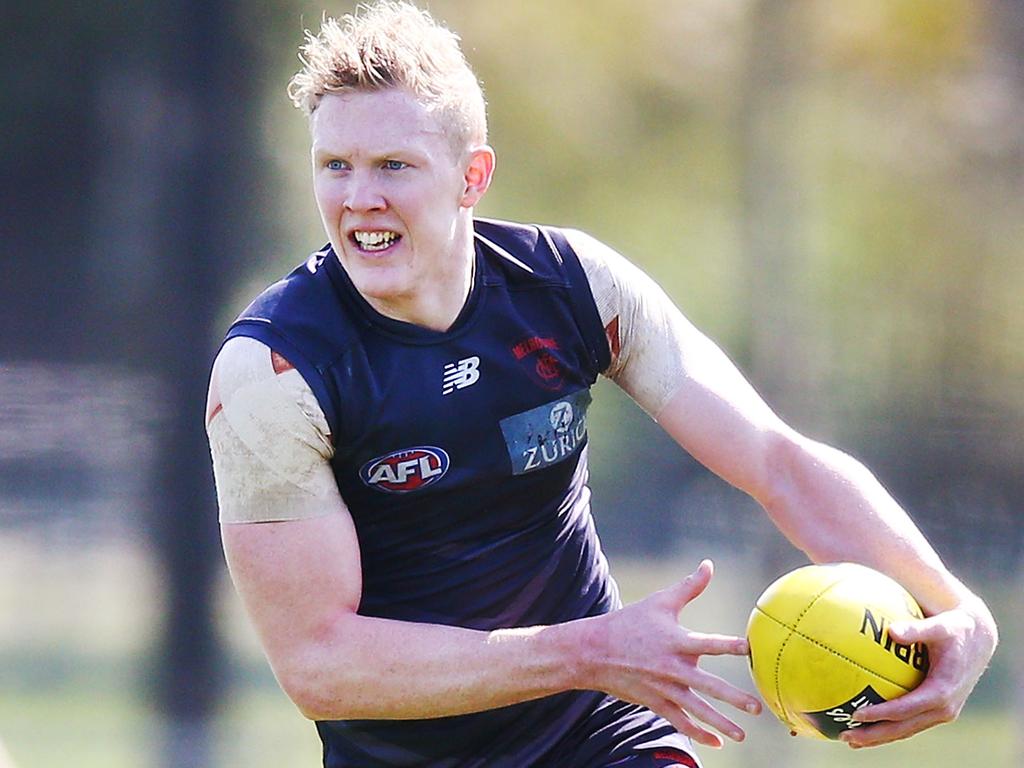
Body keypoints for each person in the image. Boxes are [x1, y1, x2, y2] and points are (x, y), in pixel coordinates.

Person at [204, 2, 998, 766]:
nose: (358, 198)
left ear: (472, 177)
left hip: (602, 737)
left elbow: (776, 461)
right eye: (334, 165)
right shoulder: (273, 372)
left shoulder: (575, 290)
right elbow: (319, 663)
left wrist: (958, 609)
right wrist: (589, 649)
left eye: (393, 166)